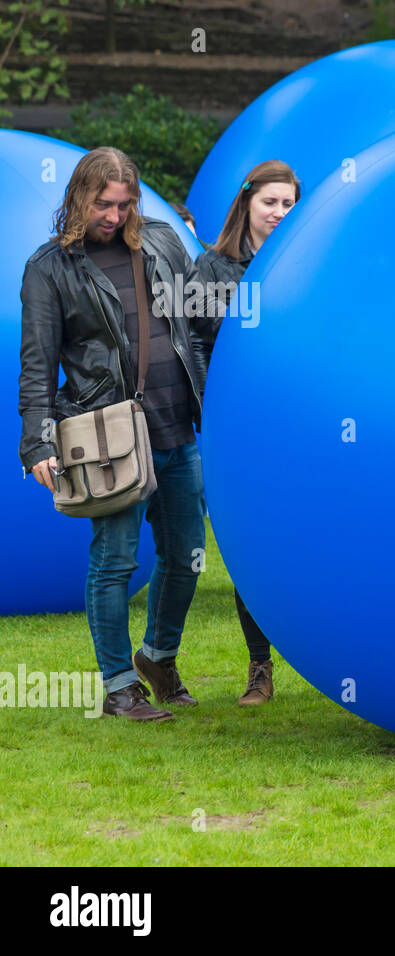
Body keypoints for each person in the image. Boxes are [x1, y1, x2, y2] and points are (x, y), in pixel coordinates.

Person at [19, 147, 219, 720]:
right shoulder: (50, 267)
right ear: (79, 197)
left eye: (124, 202)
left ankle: (158, 656)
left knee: (187, 558)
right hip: (105, 436)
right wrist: (38, 442)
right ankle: (118, 687)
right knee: (115, 562)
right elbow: (38, 364)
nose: (114, 214)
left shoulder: (161, 241)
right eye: (103, 203)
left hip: (178, 427)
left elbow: (200, 324)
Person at [195, 160, 301, 706]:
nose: (280, 213)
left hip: (302, 427)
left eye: (289, 203)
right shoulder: (213, 269)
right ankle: (260, 667)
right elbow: (190, 343)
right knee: (248, 545)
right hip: (238, 433)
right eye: (271, 202)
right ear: (247, 204)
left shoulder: (310, 267)